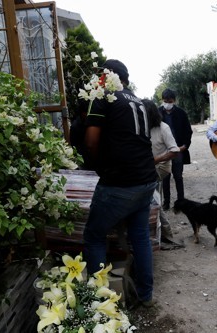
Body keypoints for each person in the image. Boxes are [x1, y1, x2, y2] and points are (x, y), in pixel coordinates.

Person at [83, 59, 158, 307]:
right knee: (140, 236)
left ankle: (99, 303)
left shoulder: (102, 95)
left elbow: (92, 141)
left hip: (120, 181)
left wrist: (98, 168)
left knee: (94, 235)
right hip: (146, 178)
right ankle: (146, 296)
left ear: (104, 77)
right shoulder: (137, 100)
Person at [141, 99, 184, 249]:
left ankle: (166, 234)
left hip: (161, 167)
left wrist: (155, 160)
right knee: (152, 198)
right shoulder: (142, 126)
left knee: (152, 197)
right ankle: (162, 233)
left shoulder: (163, 128)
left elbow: (175, 150)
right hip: (148, 167)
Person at [158, 88, 193, 210]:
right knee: (165, 178)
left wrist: (184, 146)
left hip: (178, 149)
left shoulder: (181, 113)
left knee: (178, 176)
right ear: (162, 100)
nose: (168, 103)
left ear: (174, 100)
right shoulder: (157, 113)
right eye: (165, 100)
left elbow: (188, 131)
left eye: (170, 101)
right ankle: (166, 202)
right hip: (164, 151)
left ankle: (181, 202)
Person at [69, 99, 90, 169]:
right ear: (82, 113)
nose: (88, 115)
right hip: (83, 160)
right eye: (86, 113)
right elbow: (75, 147)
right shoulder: (76, 126)